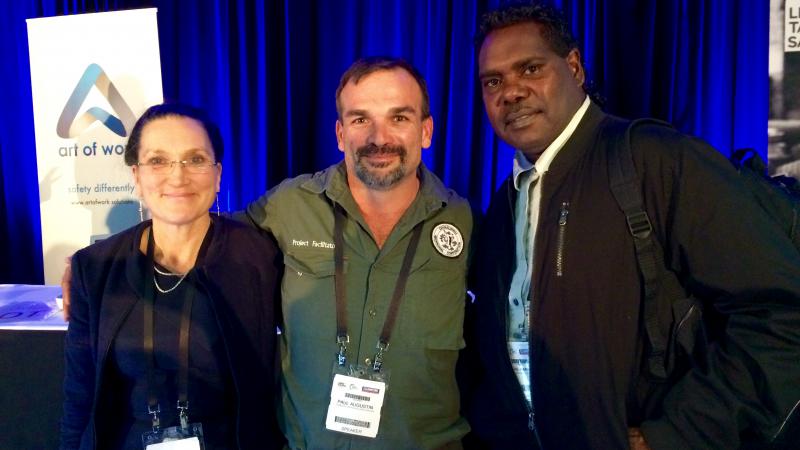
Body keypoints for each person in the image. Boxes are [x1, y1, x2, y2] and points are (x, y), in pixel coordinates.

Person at [462, 3, 800, 450]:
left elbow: (782, 312)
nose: (512, 91)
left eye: (530, 68)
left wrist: (679, 434)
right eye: (494, 81)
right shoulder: (504, 205)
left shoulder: (654, 160)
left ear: (575, 67)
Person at [241, 57, 473, 449]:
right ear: (339, 132)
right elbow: (209, 248)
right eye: (360, 119)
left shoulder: (467, 224)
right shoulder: (288, 206)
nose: (378, 138)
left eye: (399, 118)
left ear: (426, 130)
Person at [60, 103, 283, 449]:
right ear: (136, 176)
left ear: (218, 173)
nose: (177, 177)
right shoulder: (95, 269)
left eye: (195, 159)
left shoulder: (261, 259)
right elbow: (80, 396)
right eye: (158, 161)